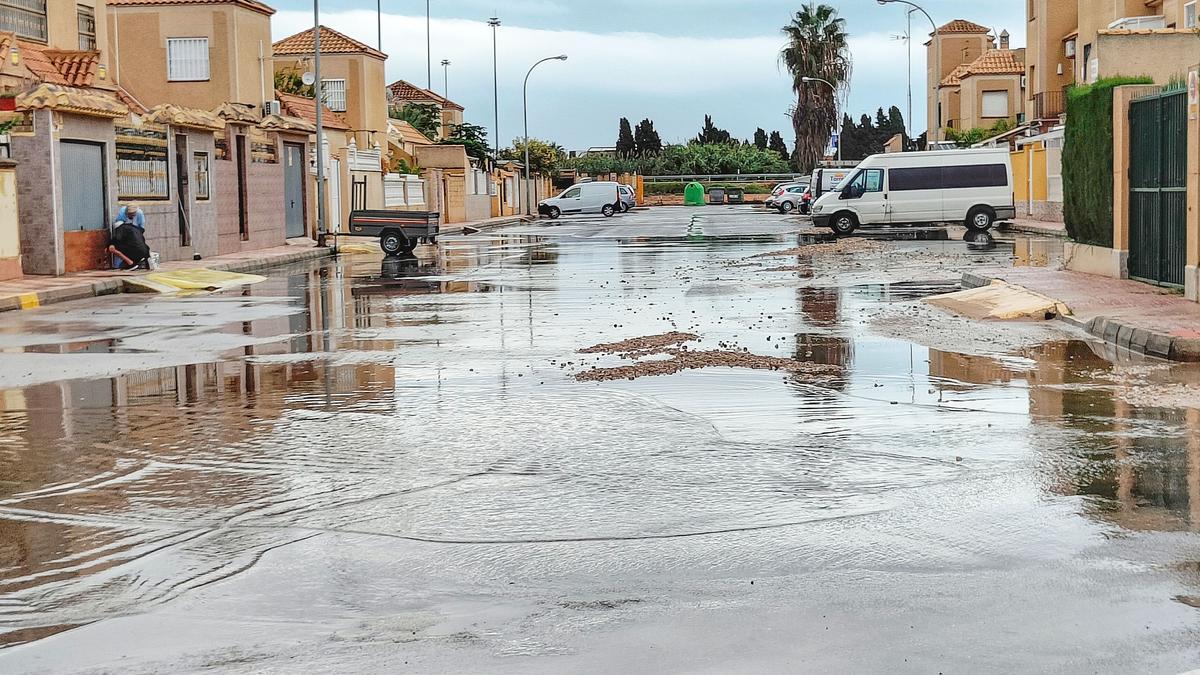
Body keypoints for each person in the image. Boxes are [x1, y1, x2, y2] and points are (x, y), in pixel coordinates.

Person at [108, 202, 149, 271]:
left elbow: (141, 229)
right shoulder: (122, 213)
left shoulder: (139, 214)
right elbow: (119, 234)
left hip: (134, 234)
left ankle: (131, 263)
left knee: (117, 247)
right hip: (127, 235)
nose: (131, 216)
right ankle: (124, 264)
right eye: (130, 215)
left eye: (133, 215)